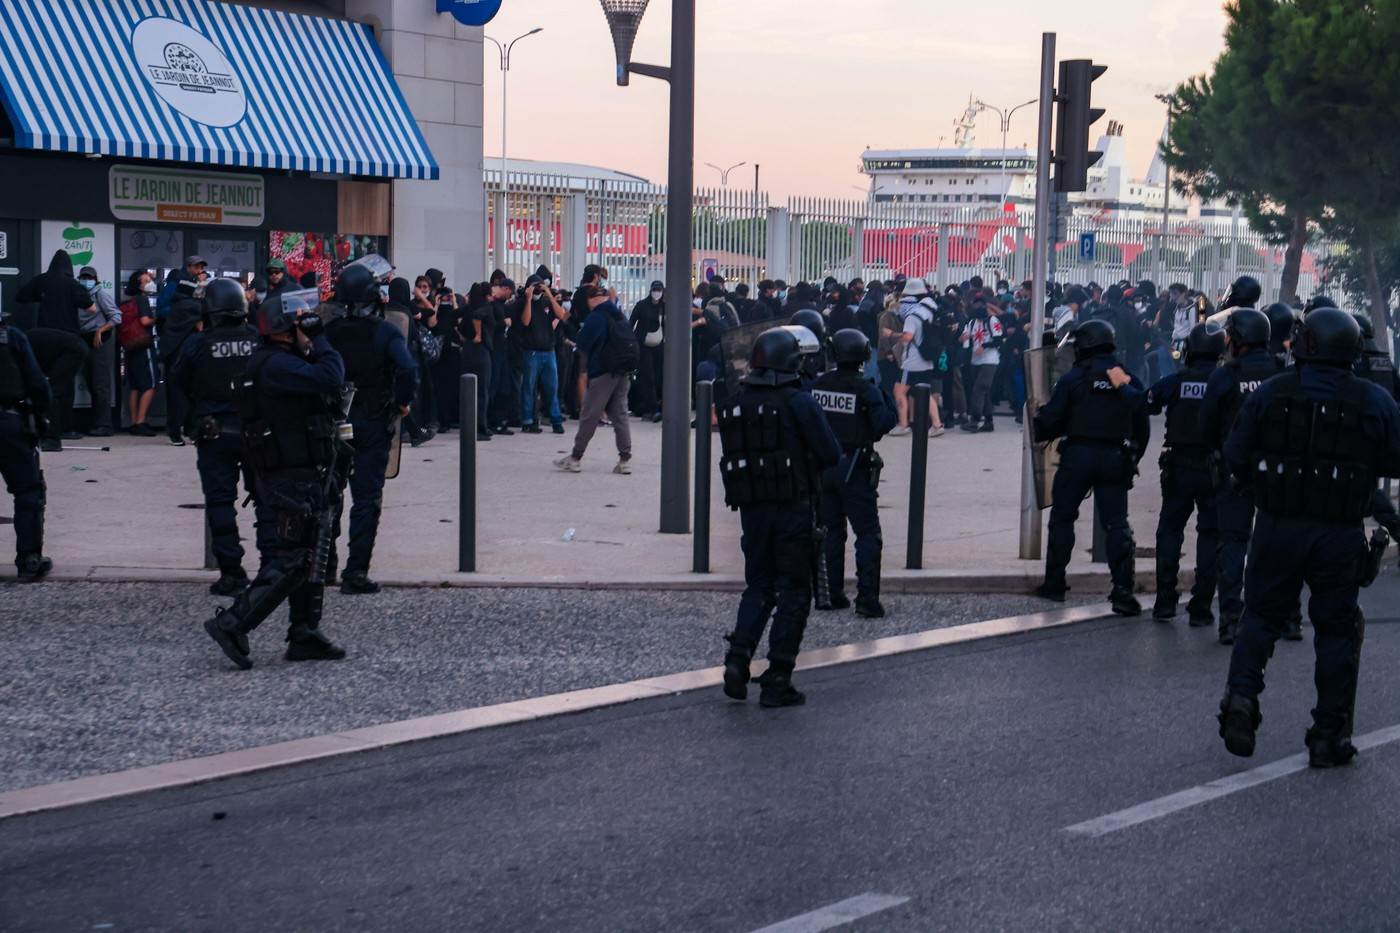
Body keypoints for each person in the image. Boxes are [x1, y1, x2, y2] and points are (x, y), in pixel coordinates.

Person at [1217, 308, 1400, 767]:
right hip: (1337, 534)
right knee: (1337, 632)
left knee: (1259, 618)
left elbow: (1234, 454)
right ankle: (1328, 735)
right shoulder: (1374, 401)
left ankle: (1241, 699)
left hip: (1277, 526)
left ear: (1306, 344)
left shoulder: (1272, 392)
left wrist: (1260, 480)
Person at [202, 295, 348, 670]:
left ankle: (304, 632)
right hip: (289, 474)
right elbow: (332, 376)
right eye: (302, 324)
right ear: (287, 329)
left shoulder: (280, 362)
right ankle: (232, 623)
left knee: (312, 553)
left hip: (299, 469)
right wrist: (323, 342)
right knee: (294, 557)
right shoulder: (278, 365)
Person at [718, 325, 841, 707]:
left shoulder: (739, 398)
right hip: (794, 507)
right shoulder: (799, 401)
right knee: (794, 592)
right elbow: (830, 453)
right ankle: (778, 678)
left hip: (753, 510)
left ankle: (738, 659)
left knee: (758, 586)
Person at [1033, 319, 1149, 615]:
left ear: (1084, 346)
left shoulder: (1074, 379)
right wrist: (1133, 457)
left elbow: (1052, 420)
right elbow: (1142, 423)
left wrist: (1039, 422)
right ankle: (1123, 591)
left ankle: (1055, 584)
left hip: (1078, 456)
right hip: (1114, 457)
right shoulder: (1125, 377)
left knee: (1062, 518)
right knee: (1117, 525)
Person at [324, 263, 418, 594]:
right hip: (372, 421)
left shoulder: (330, 331)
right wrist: (402, 403)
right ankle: (356, 573)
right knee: (366, 498)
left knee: (329, 496)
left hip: (335, 423)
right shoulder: (385, 332)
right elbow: (407, 369)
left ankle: (325, 567)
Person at [172, 278, 260, 596]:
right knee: (266, 500)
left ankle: (232, 573)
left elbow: (178, 380)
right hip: (256, 432)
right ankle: (272, 570)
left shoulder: (199, 343)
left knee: (220, 502)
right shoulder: (257, 338)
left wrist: (196, 410)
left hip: (215, 433)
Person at [1199, 307, 1280, 644]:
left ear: (1240, 338)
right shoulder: (1281, 370)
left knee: (1232, 542)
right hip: (1277, 472)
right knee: (1276, 543)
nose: (1227, 340)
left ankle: (1231, 620)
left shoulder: (1226, 374)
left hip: (1235, 472)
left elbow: (1205, 424)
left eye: (1230, 334)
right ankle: (1282, 617)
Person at [813, 329, 898, 617]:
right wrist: (884, 397)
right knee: (867, 534)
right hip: (854, 467)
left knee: (831, 531)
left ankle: (831, 593)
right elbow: (883, 423)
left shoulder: (817, 385)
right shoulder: (866, 389)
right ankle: (867, 599)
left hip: (824, 467)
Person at [1147, 321, 1226, 626]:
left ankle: (1165, 601)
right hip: (1213, 469)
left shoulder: (1177, 381)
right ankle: (1202, 606)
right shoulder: (1225, 381)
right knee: (1210, 535)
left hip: (1179, 466)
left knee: (1169, 531)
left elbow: (1148, 403)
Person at [15, 249, 95, 449]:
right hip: (67, 339)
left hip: (43, 340)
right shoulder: (72, 284)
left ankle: (47, 430)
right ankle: (63, 430)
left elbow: (21, 296)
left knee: (47, 385)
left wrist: (43, 297)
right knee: (63, 387)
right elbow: (90, 307)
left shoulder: (42, 280)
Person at [555, 286, 635, 473]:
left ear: (591, 300)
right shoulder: (619, 315)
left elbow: (582, 343)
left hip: (603, 372)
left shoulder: (596, 318)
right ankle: (625, 460)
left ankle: (575, 457)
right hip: (622, 371)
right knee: (620, 415)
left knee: (589, 414)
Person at [0, 303, 53, 581]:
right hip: (9, 424)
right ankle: (29, 559)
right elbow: (37, 382)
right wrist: (42, 415)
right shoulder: (13, 337)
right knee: (28, 491)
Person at [892, 279, 944, 436]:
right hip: (927, 360)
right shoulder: (930, 311)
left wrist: (892, 334)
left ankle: (903, 424)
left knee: (899, 391)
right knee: (925, 393)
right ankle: (936, 424)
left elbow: (907, 337)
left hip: (912, 361)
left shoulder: (912, 316)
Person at [518, 275, 569, 434]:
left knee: (552, 388)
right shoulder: (523, 303)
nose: (538, 290)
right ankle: (528, 420)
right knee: (529, 387)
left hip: (549, 351)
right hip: (532, 351)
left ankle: (556, 420)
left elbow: (561, 315)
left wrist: (549, 294)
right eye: (536, 286)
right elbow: (525, 322)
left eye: (540, 286)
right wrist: (528, 299)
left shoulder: (547, 302)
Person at [74, 267, 120, 437]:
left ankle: (105, 425)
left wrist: (101, 330)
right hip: (84, 338)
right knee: (92, 382)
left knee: (100, 383)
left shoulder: (100, 294)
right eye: (83, 277)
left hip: (100, 340)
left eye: (89, 277)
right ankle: (97, 423)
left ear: (96, 279)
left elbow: (116, 316)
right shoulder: (80, 295)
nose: (86, 280)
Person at [960, 296, 1004, 432]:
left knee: (979, 389)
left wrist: (984, 346)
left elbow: (998, 340)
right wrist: (963, 338)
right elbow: (964, 338)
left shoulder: (992, 320)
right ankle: (989, 421)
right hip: (976, 360)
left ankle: (975, 419)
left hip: (989, 360)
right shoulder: (972, 322)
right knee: (984, 392)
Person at [629, 281, 665, 422]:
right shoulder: (641, 305)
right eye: (655, 290)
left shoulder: (665, 307)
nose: (657, 293)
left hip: (659, 346)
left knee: (658, 376)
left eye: (659, 290)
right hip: (643, 345)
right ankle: (653, 409)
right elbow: (631, 323)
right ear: (650, 290)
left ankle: (655, 406)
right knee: (648, 375)